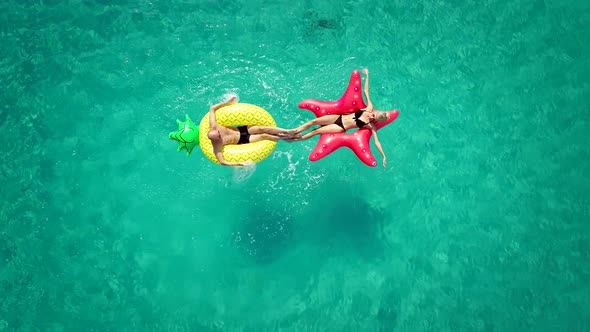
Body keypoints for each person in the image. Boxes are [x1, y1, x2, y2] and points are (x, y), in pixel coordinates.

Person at [288, 68, 391, 168]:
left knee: (315, 131)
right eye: (374, 114)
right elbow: (366, 91)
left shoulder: (371, 125)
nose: (372, 116)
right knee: (313, 121)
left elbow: (377, 142)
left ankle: (295, 139)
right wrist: (367, 75)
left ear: (377, 120)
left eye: (374, 117)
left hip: (340, 127)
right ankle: (295, 131)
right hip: (338, 117)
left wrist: (383, 156)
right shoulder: (368, 108)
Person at [207, 96, 297, 166]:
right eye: (219, 136)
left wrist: (227, 102)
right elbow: (222, 162)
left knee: (261, 129)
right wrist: (240, 163)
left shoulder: (214, 126)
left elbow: (212, 108)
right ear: (215, 139)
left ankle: (287, 131)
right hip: (242, 140)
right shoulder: (216, 145)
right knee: (264, 136)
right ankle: (285, 138)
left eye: (219, 133)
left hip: (241, 129)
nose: (220, 134)